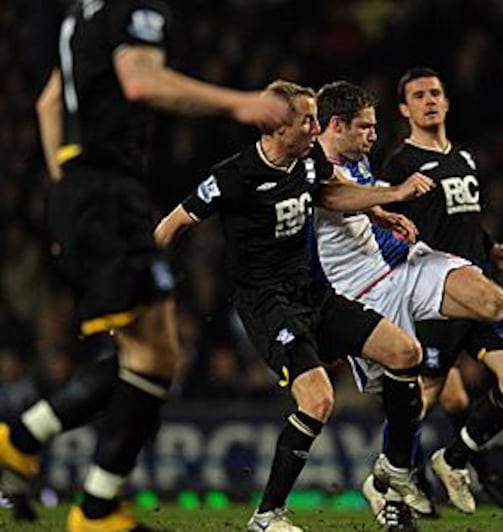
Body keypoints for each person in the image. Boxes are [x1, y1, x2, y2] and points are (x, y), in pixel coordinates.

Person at [0, 1, 290, 530]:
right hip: (109, 192)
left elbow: (48, 105)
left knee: (146, 351)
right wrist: (240, 103)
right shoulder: (135, 6)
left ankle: (22, 443)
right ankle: (95, 507)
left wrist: (67, 197)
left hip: (82, 190)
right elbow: (141, 82)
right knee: (156, 355)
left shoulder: (81, 14)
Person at [155, 80, 436, 532]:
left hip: (311, 294)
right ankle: (267, 516)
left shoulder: (309, 159)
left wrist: (384, 205)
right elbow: (171, 224)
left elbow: (332, 191)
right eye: (306, 119)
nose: (314, 127)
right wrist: (143, 288)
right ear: (275, 126)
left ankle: (397, 471)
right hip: (267, 306)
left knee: (406, 353)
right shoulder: (235, 175)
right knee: (319, 399)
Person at [313, 80, 503, 515]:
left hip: (404, 263)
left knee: (492, 300)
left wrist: (384, 214)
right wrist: (395, 195)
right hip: (362, 295)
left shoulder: (382, 156)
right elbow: (333, 193)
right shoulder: (312, 161)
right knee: (413, 396)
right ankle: (392, 477)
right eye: (366, 127)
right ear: (337, 125)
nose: (374, 134)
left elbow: (357, 192)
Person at [381, 66, 503, 509]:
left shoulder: (463, 158)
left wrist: (491, 248)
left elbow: (465, 221)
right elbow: (383, 227)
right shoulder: (398, 163)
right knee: (425, 396)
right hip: (437, 299)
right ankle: (387, 484)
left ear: (447, 102)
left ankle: (456, 457)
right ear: (405, 109)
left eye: (435, 93)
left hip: (476, 286)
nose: (429, 100)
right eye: (419, 95)